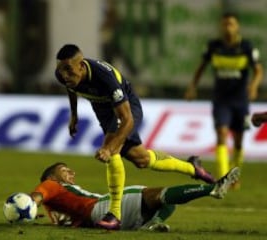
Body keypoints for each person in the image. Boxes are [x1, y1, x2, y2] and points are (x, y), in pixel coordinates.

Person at [55, 44, 215, 229]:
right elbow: (71, 87)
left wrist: (109, 147)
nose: (65, 75)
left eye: (68, 70)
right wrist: (73, 115)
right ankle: (193, 168)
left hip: (126, 107)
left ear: (81, 66)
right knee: (142, 159)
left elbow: (127, 119)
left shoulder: (105, 79)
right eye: (61, 70)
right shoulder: (63, 75)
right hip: (104, 111)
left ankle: (114, 215)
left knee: (112, 150)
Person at [30, 162, 240, 231]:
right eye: (64, 170)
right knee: (152, 193)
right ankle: (212, 189)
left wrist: (33, 214)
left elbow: (48, 207)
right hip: (103, 208)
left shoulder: (55, 204)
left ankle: (155, 223)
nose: (71, 173)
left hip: (101, 220)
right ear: (51, 176)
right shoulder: (51, 184)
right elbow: (36, 197)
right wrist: (30, 205)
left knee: (164, 200)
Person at [184, 12, 263, 181]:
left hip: (241, 100)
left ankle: (235, 175)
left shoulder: (246, 47)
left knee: (239, 140)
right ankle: (224, 177)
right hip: (221, 100)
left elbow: (258, 70)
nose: (228, 27)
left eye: (231, 24)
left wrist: (254, 86)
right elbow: (201, 67)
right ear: (221, 26)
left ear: (237, 27)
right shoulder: (214, 46)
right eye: (225, 24)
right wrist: (192, 87)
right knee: (221, 133)